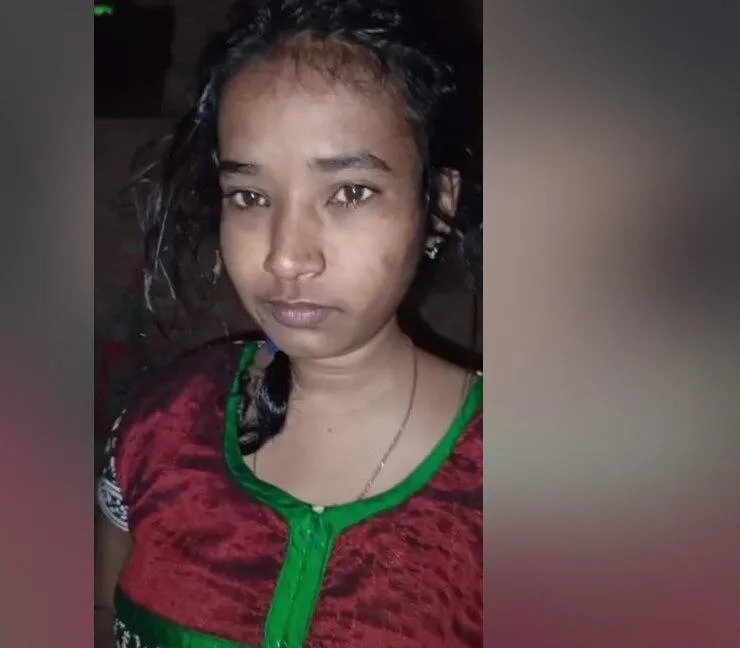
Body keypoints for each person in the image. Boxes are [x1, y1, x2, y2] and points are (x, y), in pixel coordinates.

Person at [96, 1, 482, 646]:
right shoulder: (163, 423)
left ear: (437, 208)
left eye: (350, 192)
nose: (285, 257)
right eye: (250, 197)